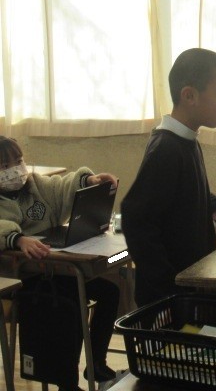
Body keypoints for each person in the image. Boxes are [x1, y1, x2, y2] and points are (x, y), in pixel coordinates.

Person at [0, 136, 120, 391]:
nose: (14, 170)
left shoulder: (35, 186)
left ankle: (96, 363)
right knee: (71, 303)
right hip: (26, 278)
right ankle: (68, 383)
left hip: (56, 268)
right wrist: (18, 239)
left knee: (110, 291)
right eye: (4, 166)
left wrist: (88, 181)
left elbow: (60, 186)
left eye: (18, 161)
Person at [121, 48, 216, 307]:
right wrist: (165, 286)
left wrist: (215, 206)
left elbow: (184, 192)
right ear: (189, 95)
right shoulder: (166, 149)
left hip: (189, 283)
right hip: (169, 296)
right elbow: (136, 218)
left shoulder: (186, 140)